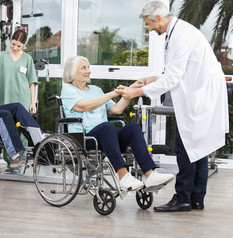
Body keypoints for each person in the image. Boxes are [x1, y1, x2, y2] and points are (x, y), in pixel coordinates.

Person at [116, 0, 229, 211]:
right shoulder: (178, 32)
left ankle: (182, 198)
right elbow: (176, 71)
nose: (149, 29)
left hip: (200, 95)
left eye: (149, 24)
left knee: (185, 145)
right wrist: (154, 78)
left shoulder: (180, 35)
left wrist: (135, 92)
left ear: (159, 17)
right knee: (198, 147)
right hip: (201, 93)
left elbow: (174, 78)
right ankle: (196, 198)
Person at [61, 56, 174, 192]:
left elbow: (116, 109)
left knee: (133, 128)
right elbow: (83, 106)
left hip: (105, 137)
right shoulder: (68, 90)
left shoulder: (96, 90)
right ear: (72, 72)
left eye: (88, 67)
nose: (88, 71)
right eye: (84, 68)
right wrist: (112, 94)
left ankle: (149, 175)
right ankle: (123, 176)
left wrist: (131, 89)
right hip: (84, 138)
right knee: (107, 127)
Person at [0, 29, 37, 173]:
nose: (15, 48)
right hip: (5, 100)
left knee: (21, 132)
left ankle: (17, 165)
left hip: (23, 99)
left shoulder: (27, 59)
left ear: (24, 45)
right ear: (10, 40)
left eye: (19, 46)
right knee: (6, 132)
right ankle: (10, 164)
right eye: (13, 44)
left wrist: (32, 102)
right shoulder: (1, 57)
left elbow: (31, 82)